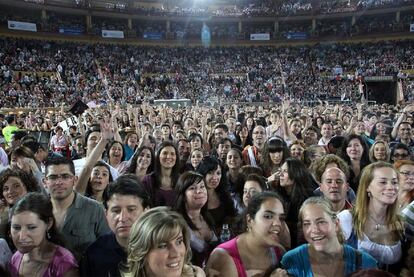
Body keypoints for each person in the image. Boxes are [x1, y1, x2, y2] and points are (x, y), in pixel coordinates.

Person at [280, 197, 377, 277]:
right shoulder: (291, 261)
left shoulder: (365, 263)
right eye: (307, 224)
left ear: (336, 224)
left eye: (321, 222)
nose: (314, 230)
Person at [337, 162, 404, 274]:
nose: (391, 187)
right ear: (367, 187)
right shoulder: (347, 219)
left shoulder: (400, 223)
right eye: (383, 182)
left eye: (394, 182)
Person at [80, 174, 151, 277]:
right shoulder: (94, 254)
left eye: (131, 209)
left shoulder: (159, 247)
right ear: (106, 214)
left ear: (146, 212)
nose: (123, 218)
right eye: (116, 211)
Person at [43, 157, 110, 261]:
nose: (59, 182)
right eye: (53, 177)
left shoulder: (95, 209)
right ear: (44, 182)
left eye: (65, 177)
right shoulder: (38, 210)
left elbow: (106, 248)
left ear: (75, 180)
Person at [206, 192, 286, 277]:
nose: (278, 223)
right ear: (249, 220)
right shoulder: (222, 257)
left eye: (281, 218)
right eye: (268, 216)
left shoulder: (280, 252)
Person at [121, 207, 205, 277]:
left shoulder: (196, 274)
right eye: (162, 246)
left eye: (179, 242)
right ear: (140, 252)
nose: (176, 254)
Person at [9, 192, 79, 277]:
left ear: (49, 224)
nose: (22, 237)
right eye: (16, 227)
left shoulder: (63, 263)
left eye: (31, 227)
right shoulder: (15, 258)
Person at [173, 171, 218, 267]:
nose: (199, 191)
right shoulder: (177, 224)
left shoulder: (207, 216)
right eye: (192, 188)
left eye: (202, 187)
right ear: (183, 195)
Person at [275, 158, 316, 247]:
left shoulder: (308, 198)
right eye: (280, 171)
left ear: (296, 173)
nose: (280, 174)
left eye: (285, 171)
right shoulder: (276, 195)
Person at [197, 156, 237, 234]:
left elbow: (231, 216)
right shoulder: (195, 196)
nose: (215, 177)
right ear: (202, 173)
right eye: (210, 173)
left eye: (218, 173)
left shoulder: (224, 194)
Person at [0, 168, 41, 238]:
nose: (10, 191)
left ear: (27, 187)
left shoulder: (39, 209)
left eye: (16, 186)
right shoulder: (5, 213)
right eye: (6, 189)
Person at [142, 141, 181, 207]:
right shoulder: (148, 181)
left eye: (172, 154)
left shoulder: (181, 180)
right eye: (165, 153)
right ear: (158, 156)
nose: (168, 157)